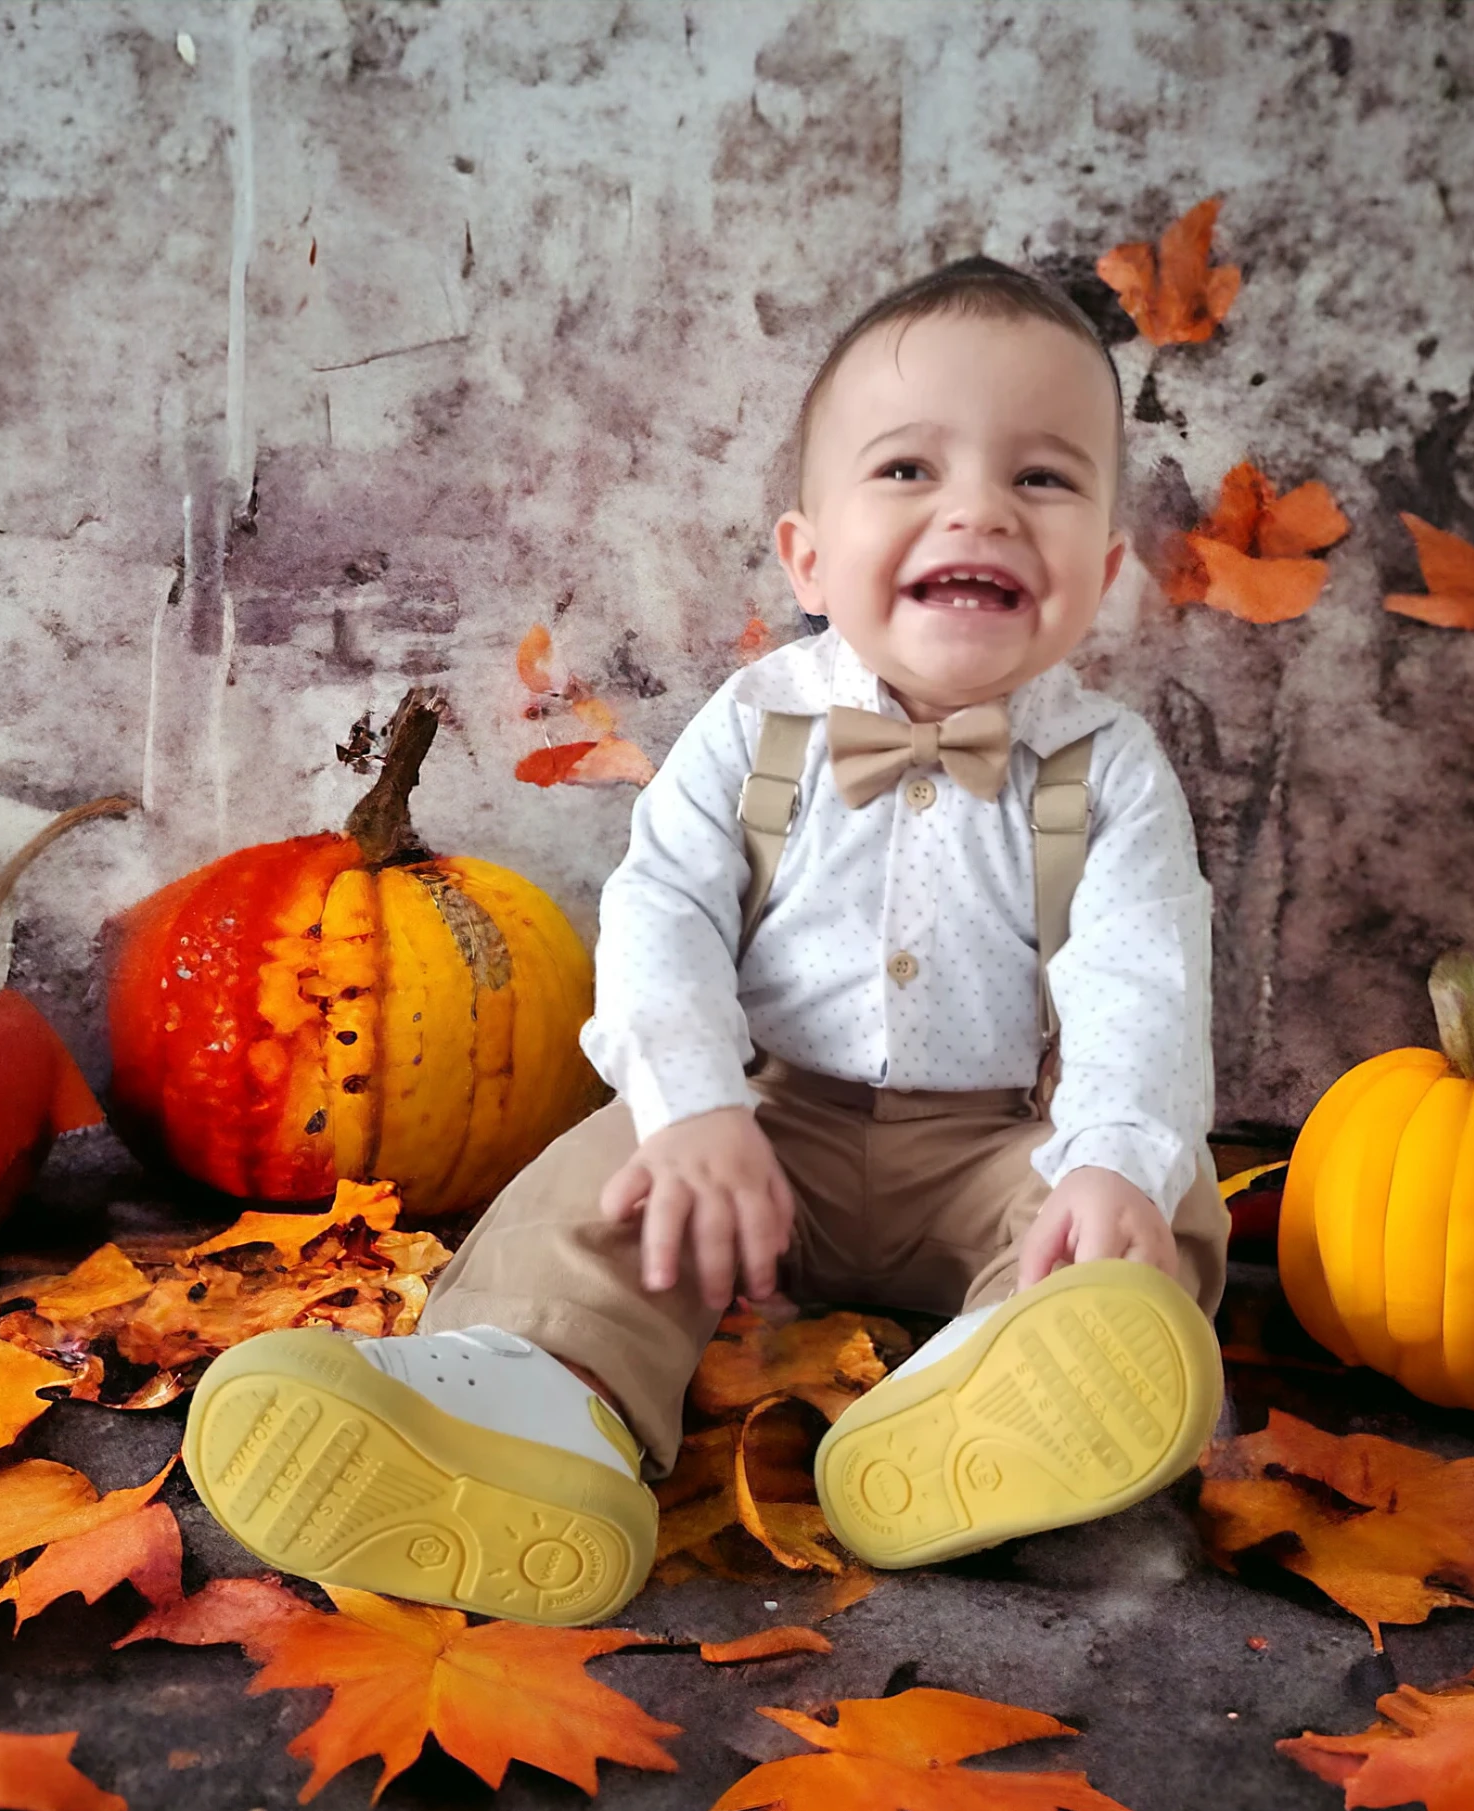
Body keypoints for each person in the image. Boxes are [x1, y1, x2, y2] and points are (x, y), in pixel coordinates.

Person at [184, 258, 1231, 1627]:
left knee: (1153, 1212)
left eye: (1040, 478)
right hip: (762, 1134)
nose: (977, 505)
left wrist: (1108, 1163)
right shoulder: (760, 725)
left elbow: (1140, 980)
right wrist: (690, 1108)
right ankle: (538, 1405)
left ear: (1099, 572)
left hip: (999, 1143)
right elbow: (664, 910)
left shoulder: (1111, 766)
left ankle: (989, 1398)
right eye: (910, 470)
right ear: (807, 555)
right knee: (599, 1188)